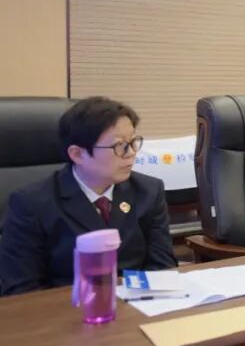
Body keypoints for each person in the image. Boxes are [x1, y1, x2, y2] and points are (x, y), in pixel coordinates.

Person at [0, 97, 175, 296]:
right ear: (77, 154)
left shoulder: (149, 191)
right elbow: (22, 290)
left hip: (138, 303)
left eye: (133, 142)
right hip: (67, 307)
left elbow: (162, 268)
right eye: (119, 145)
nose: (131, 153)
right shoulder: (31, 204)